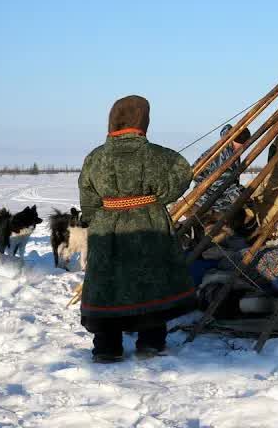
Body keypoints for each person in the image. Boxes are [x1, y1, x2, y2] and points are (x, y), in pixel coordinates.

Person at [78, 95, 196, 362]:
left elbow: (87, 199)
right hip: (148, 224)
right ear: (144, 120)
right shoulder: (159, 156)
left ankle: (107, 347)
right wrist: (156, 198)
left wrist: (98, 218)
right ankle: (150, 344)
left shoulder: (95, 158)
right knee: (150, 280)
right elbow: (182, 174)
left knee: (107, 283)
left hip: (106, 228)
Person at [193, 124, 251, 214]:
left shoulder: (231, 150)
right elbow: (223, 184)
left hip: (215, 193)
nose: (241, 148)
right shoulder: (225, 155)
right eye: (240, 146)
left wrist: (241, 190)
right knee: (235, 214)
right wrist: (241, 197)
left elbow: (230, 181)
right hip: (207, 197)